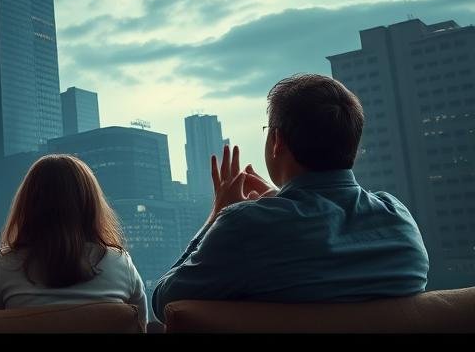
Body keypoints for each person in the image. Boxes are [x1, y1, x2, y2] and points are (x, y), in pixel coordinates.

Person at [152, 73, 429, 320]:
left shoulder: (246, 227)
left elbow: (165, 301)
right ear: (352, 146)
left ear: (277, 141)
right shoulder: (398, 218)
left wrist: (218, 215)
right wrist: (279, 201)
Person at [0, 155, 149, 329]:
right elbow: (140, 326)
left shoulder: (6, 265)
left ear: (27, 205)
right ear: (90, 205)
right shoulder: (120, 263)